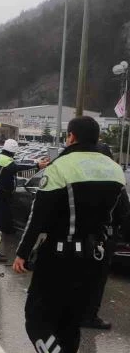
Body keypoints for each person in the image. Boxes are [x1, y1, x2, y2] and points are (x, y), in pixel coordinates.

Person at [12, 116, 130, 353]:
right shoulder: (115, 170)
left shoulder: (61, 168)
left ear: (72, 137)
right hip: (94, 260)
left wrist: (22, 253)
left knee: (37, 320)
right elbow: (122, 219)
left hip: (59, 256)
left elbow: (38, 217)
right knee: (69, 324)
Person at [0, 138, 44, 261]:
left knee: (2, 224)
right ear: (13, 151)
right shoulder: (6, 161)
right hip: (1, 198)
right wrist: (36, 165)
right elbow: (18, 167)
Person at [80, 140, 118, 330]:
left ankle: (73, 313)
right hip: (102, 239)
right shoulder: (114, 182)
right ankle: (89, 317)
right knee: (96, 280)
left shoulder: (79, 177)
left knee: (78, 276)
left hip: (78, 238)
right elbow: (122, 212)